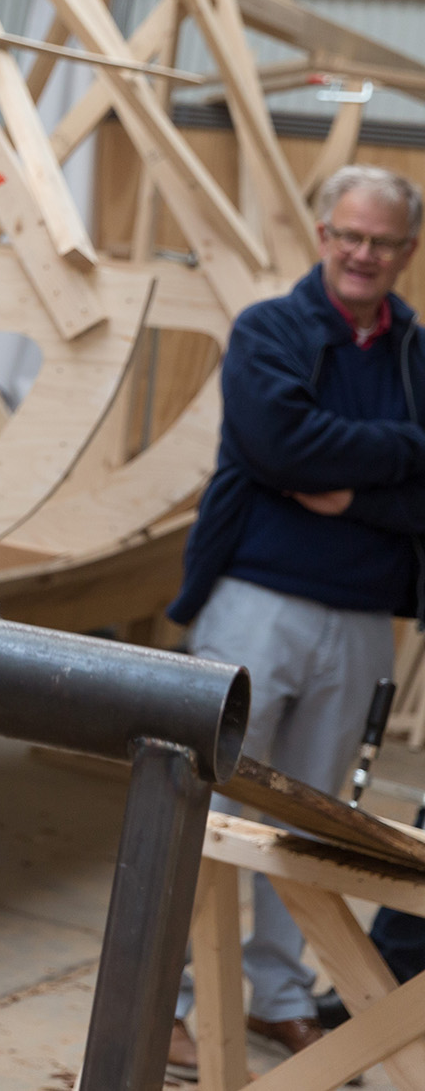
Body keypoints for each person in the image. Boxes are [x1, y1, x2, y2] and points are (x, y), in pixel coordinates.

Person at [166, 164, 425, 1078]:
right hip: (257, 601)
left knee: (313, 821)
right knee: (207, 805)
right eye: (348, 235)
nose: (362, 254)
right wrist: (400, 461)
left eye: (383, 241)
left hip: (359, 620)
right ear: (324, 235)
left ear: (407, 250)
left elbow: (402, 485)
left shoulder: (414, 355)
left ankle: (276, 998)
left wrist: (353, 484)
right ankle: (175, 1002)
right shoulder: (269, 330)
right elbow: (278, 442)